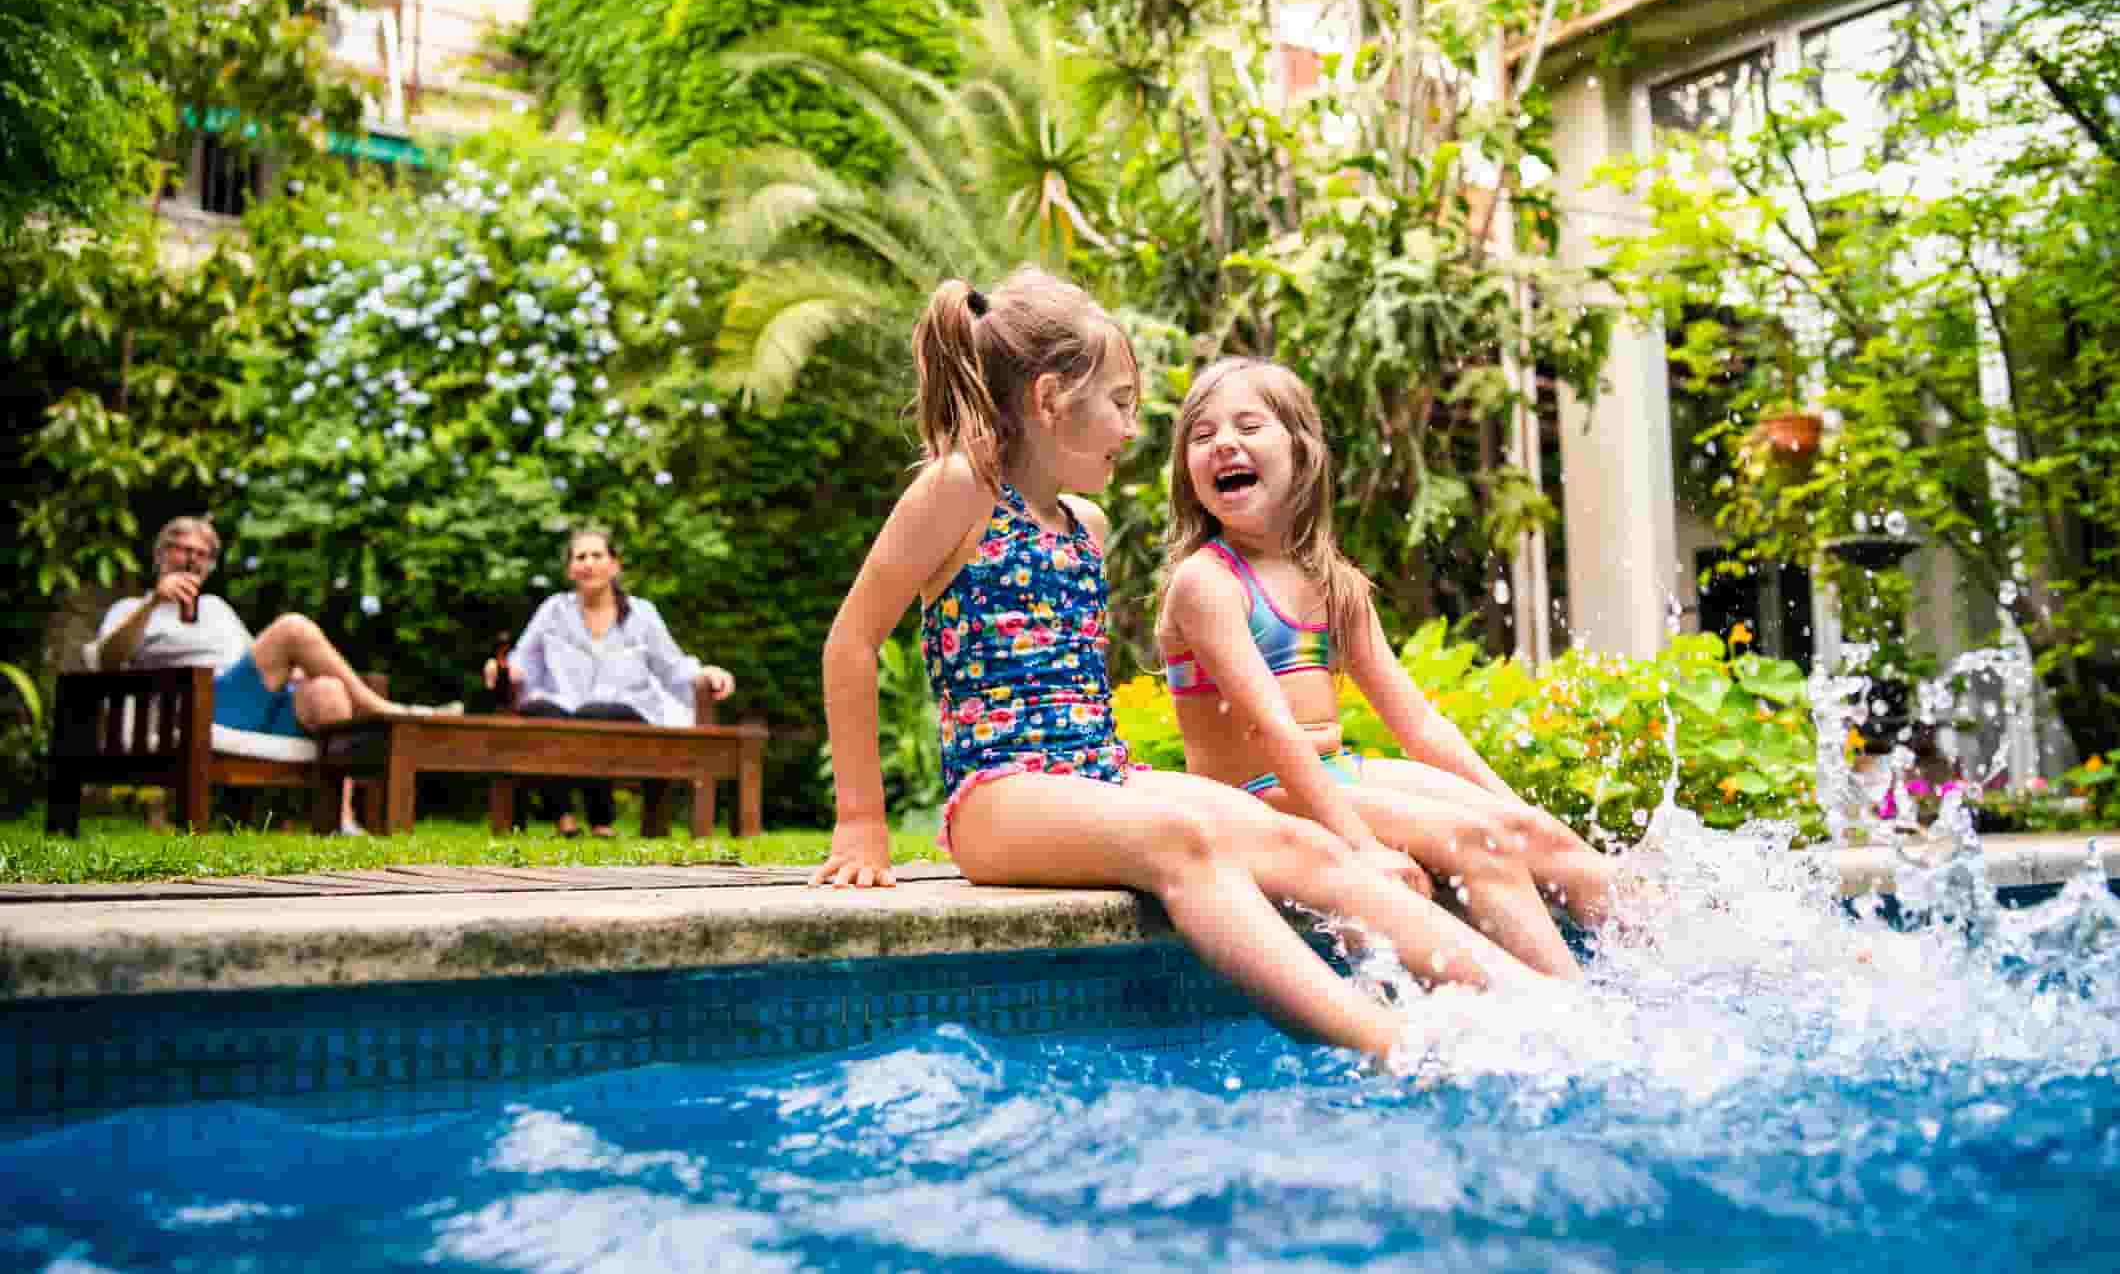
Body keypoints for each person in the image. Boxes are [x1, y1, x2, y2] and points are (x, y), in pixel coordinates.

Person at [810, 269, 1548, 1062]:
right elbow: (851, 641)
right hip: (998, 795)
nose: (1133, 428)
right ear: (1052, 398)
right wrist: (862, 823)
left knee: (1306, 846)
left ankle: (1535, 1011)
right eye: (1120, 403)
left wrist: (1361, 844)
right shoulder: (957, 488)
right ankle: (1394, 1046)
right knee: (1184, 839)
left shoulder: (1082, 524)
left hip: (1097, 773)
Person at [1154, 358, 1623, 978]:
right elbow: (1271, 729)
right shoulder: (1205, 583)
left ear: (1303, 450)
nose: (1225, 445)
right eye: (1202, 434)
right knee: (1477, 844)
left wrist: (1524, 812)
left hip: (1334, 774)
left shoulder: (1333, 583)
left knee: (1527, 834)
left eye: (1247, 425)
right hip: (1256, 797)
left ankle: (1679, 980)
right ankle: (1576, 1016)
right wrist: (1362, 846)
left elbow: (1420, 726)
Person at [93, 515, 428, 835]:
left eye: (202, 554)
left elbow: (259, 660)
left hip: (248, 708)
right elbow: (106, 660)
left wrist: (298, 673)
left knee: (328, 689)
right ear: (160, 554)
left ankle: (340, 822)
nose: (192, 560)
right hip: (193, 709)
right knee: (293, 628)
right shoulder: (131, 609)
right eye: (183, 550)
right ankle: (381, 709)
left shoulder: (217, 610)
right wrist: (154, 601)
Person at [483, 526, 736, 838]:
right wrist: (502, 669)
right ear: (570, 569)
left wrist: (706, 673)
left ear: (615, 565)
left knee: (595, 714)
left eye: (597, 555)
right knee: (538, 711)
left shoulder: (642, 613)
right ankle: (563, 817)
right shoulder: (553, 610)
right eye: (580, 557)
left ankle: (601, 819)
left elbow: (673, 667)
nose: (588, 563)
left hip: (627, 712)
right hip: (564, 710)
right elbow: (523, 662)